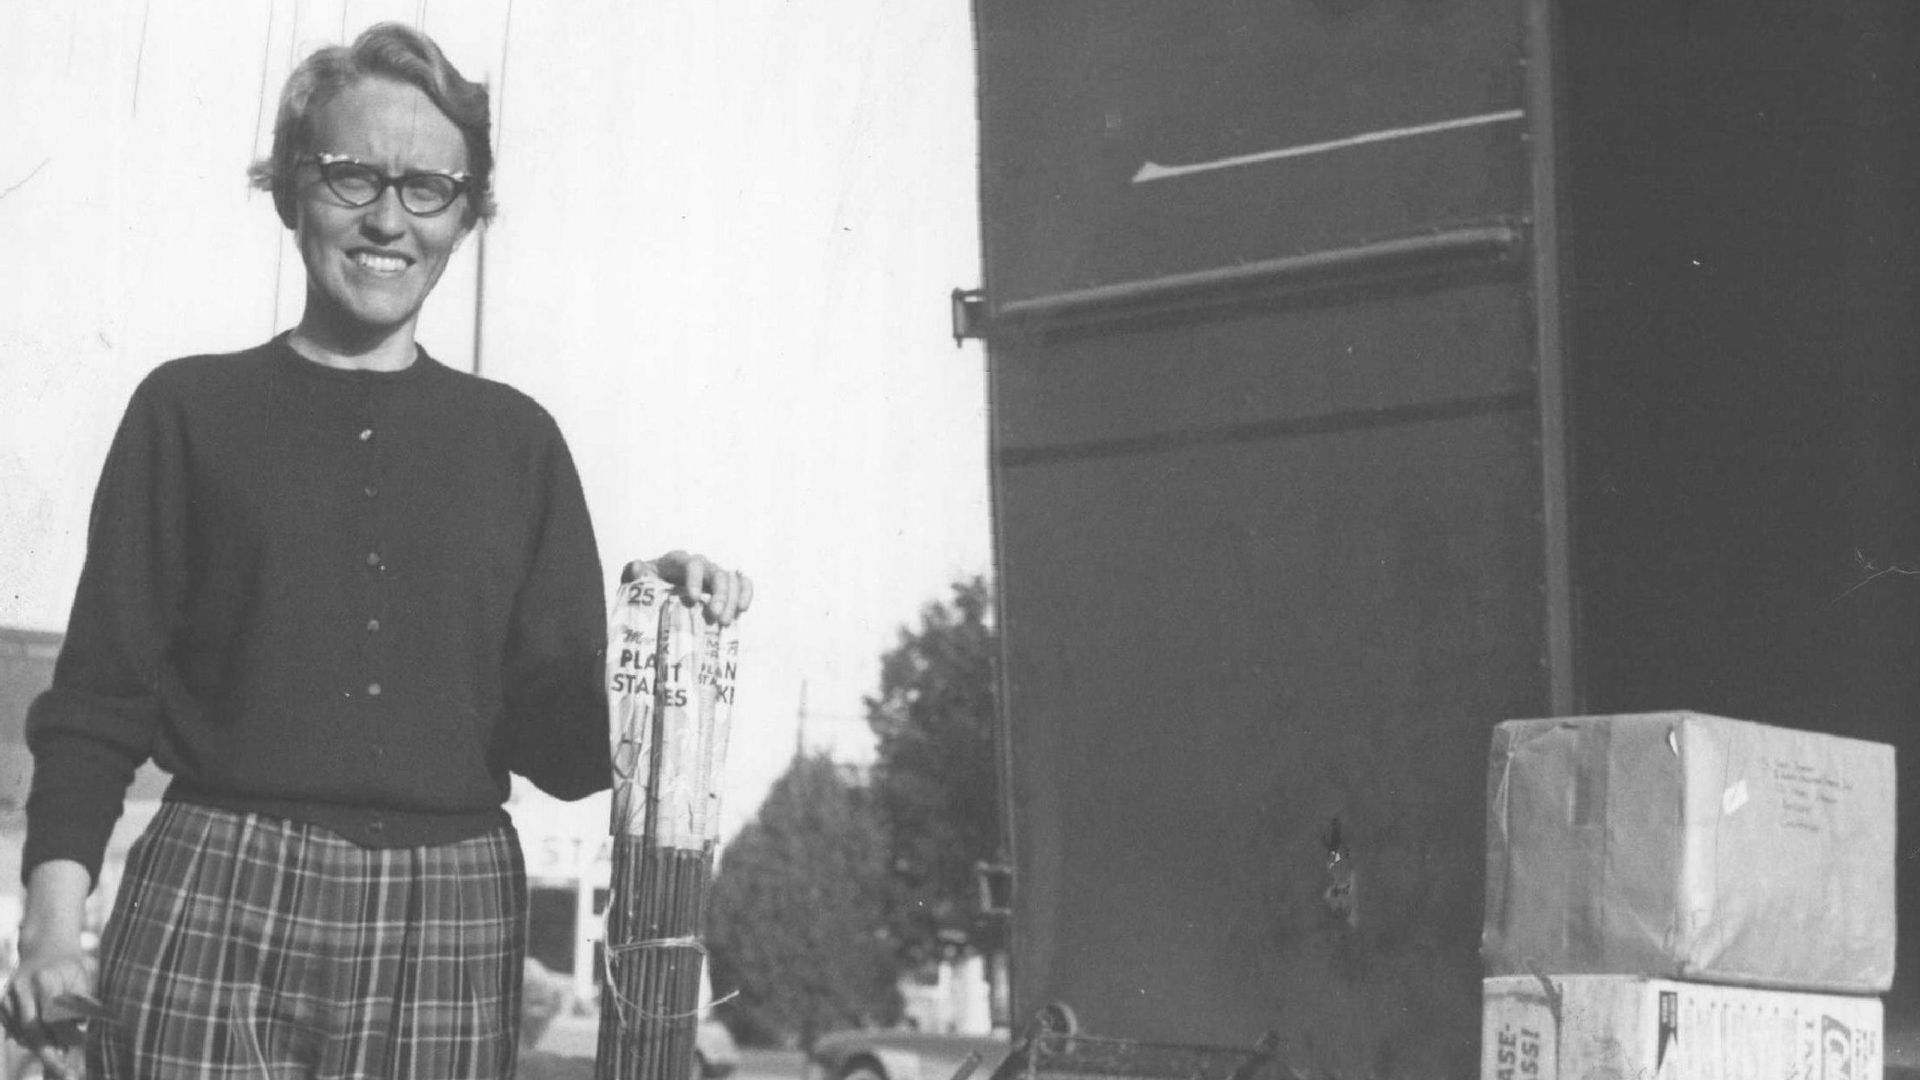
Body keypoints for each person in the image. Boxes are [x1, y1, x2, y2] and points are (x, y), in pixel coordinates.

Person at [1, 22, 751, 1080]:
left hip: (448, 913)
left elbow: (569, 753)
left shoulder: (519, 443)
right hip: (213, 887)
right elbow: (98, 702)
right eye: (353, 176)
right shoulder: (187, 411)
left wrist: (654, 635)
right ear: (290, 190)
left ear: (466, 215)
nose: (389, 218)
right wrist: (48, 932)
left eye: (429, 188)